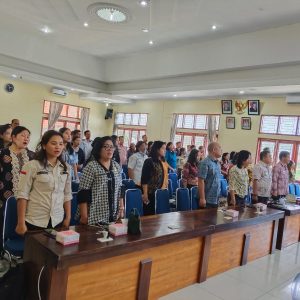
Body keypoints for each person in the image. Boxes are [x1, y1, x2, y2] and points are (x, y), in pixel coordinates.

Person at [15, 130, 72, 233]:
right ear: (44, 146)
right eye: (53, 143)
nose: (58, 147)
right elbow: (22, 195)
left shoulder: (66, 168)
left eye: (61, 144)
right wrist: (21, 223)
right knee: (35, 249)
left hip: (57, 219)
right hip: (35, 220)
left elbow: (67, 194)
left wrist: (68, 218)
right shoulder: (32, 166)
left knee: (55, 249)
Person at [0, 126, 34, 249]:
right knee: (4, 224)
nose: (26, 138)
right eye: (23, 135)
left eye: (28, 136)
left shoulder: (31, 156)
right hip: (5, 197)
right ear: (13, 137)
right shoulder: (2, 153)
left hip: (27, 198)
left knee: (24, 224)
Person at [77, 136, 124, 225]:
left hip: (113, 215)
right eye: (106, 146)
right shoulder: (91, 166)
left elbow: (120, 188)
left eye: (111, 147)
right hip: (94, 217)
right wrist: (84, 217)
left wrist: (121, 208)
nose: (109, 149)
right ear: (99, 149)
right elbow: (83, 193)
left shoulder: (116, 166)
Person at [141, 141, 168, 215]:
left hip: (160, 192)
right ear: (157, 149)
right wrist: (145, 193)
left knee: (158, 216)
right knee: (149, 215)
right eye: (163, 148)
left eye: (165, 148)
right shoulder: (149, 161)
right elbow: (144, 179)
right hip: (150, 193)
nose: (165, 150)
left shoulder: (162, 161)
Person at [198, 142, 222, 208]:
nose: (221, 150)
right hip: (207, 198)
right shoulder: (205, 162)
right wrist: (202, 198)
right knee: (205, 218)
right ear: (214, 149)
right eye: (220, 148)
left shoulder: (217, 163)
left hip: (215, 198)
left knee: (213, 218)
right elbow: (200, 181)